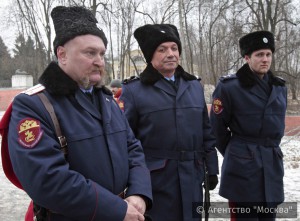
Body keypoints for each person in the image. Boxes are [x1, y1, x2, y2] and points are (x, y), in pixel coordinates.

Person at [1, 6, 152, 221]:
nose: (99, 61)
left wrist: (139, 192)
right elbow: (46, 180)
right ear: (62, 54)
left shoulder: (108, 101)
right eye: (90, 53)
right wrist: (115, 210)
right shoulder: (35, 105)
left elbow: (133, 148)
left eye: (102, 53)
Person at [120, 24, 219, 221]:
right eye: (162, 49)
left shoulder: (194, 87)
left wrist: (212, 168)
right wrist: (131, 182)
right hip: (156, 182)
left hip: (192, 176)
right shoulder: (134, 90)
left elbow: (206, 132)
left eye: (174, 48)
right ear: (150, 55)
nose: (170, 54)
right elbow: (126, 141)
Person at [210, 30, 287, 220]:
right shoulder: (230, 87)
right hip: (242, 170)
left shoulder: (279, 87)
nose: (265, 59)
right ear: (247, 57)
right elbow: (216, 129)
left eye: (268, 54)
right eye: (259, 55)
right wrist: (237, 151)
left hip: (271, 165)